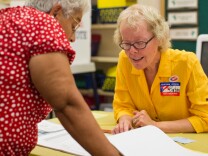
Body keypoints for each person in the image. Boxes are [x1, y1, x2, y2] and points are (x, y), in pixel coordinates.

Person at [0, 0, 121, 155]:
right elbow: (66, 103)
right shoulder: (43, 24)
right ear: (56, 12)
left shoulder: (7, 18)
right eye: (74, 26)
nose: (73, 38)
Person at [112, 4, 208, 134]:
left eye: (140, 43)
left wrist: (155, 125)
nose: (132, 51)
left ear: (159, 38)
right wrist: (125, 119)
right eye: (127, 43)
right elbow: (123, 105)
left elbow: (205, 118)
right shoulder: (124, 59)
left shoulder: (187, 63)